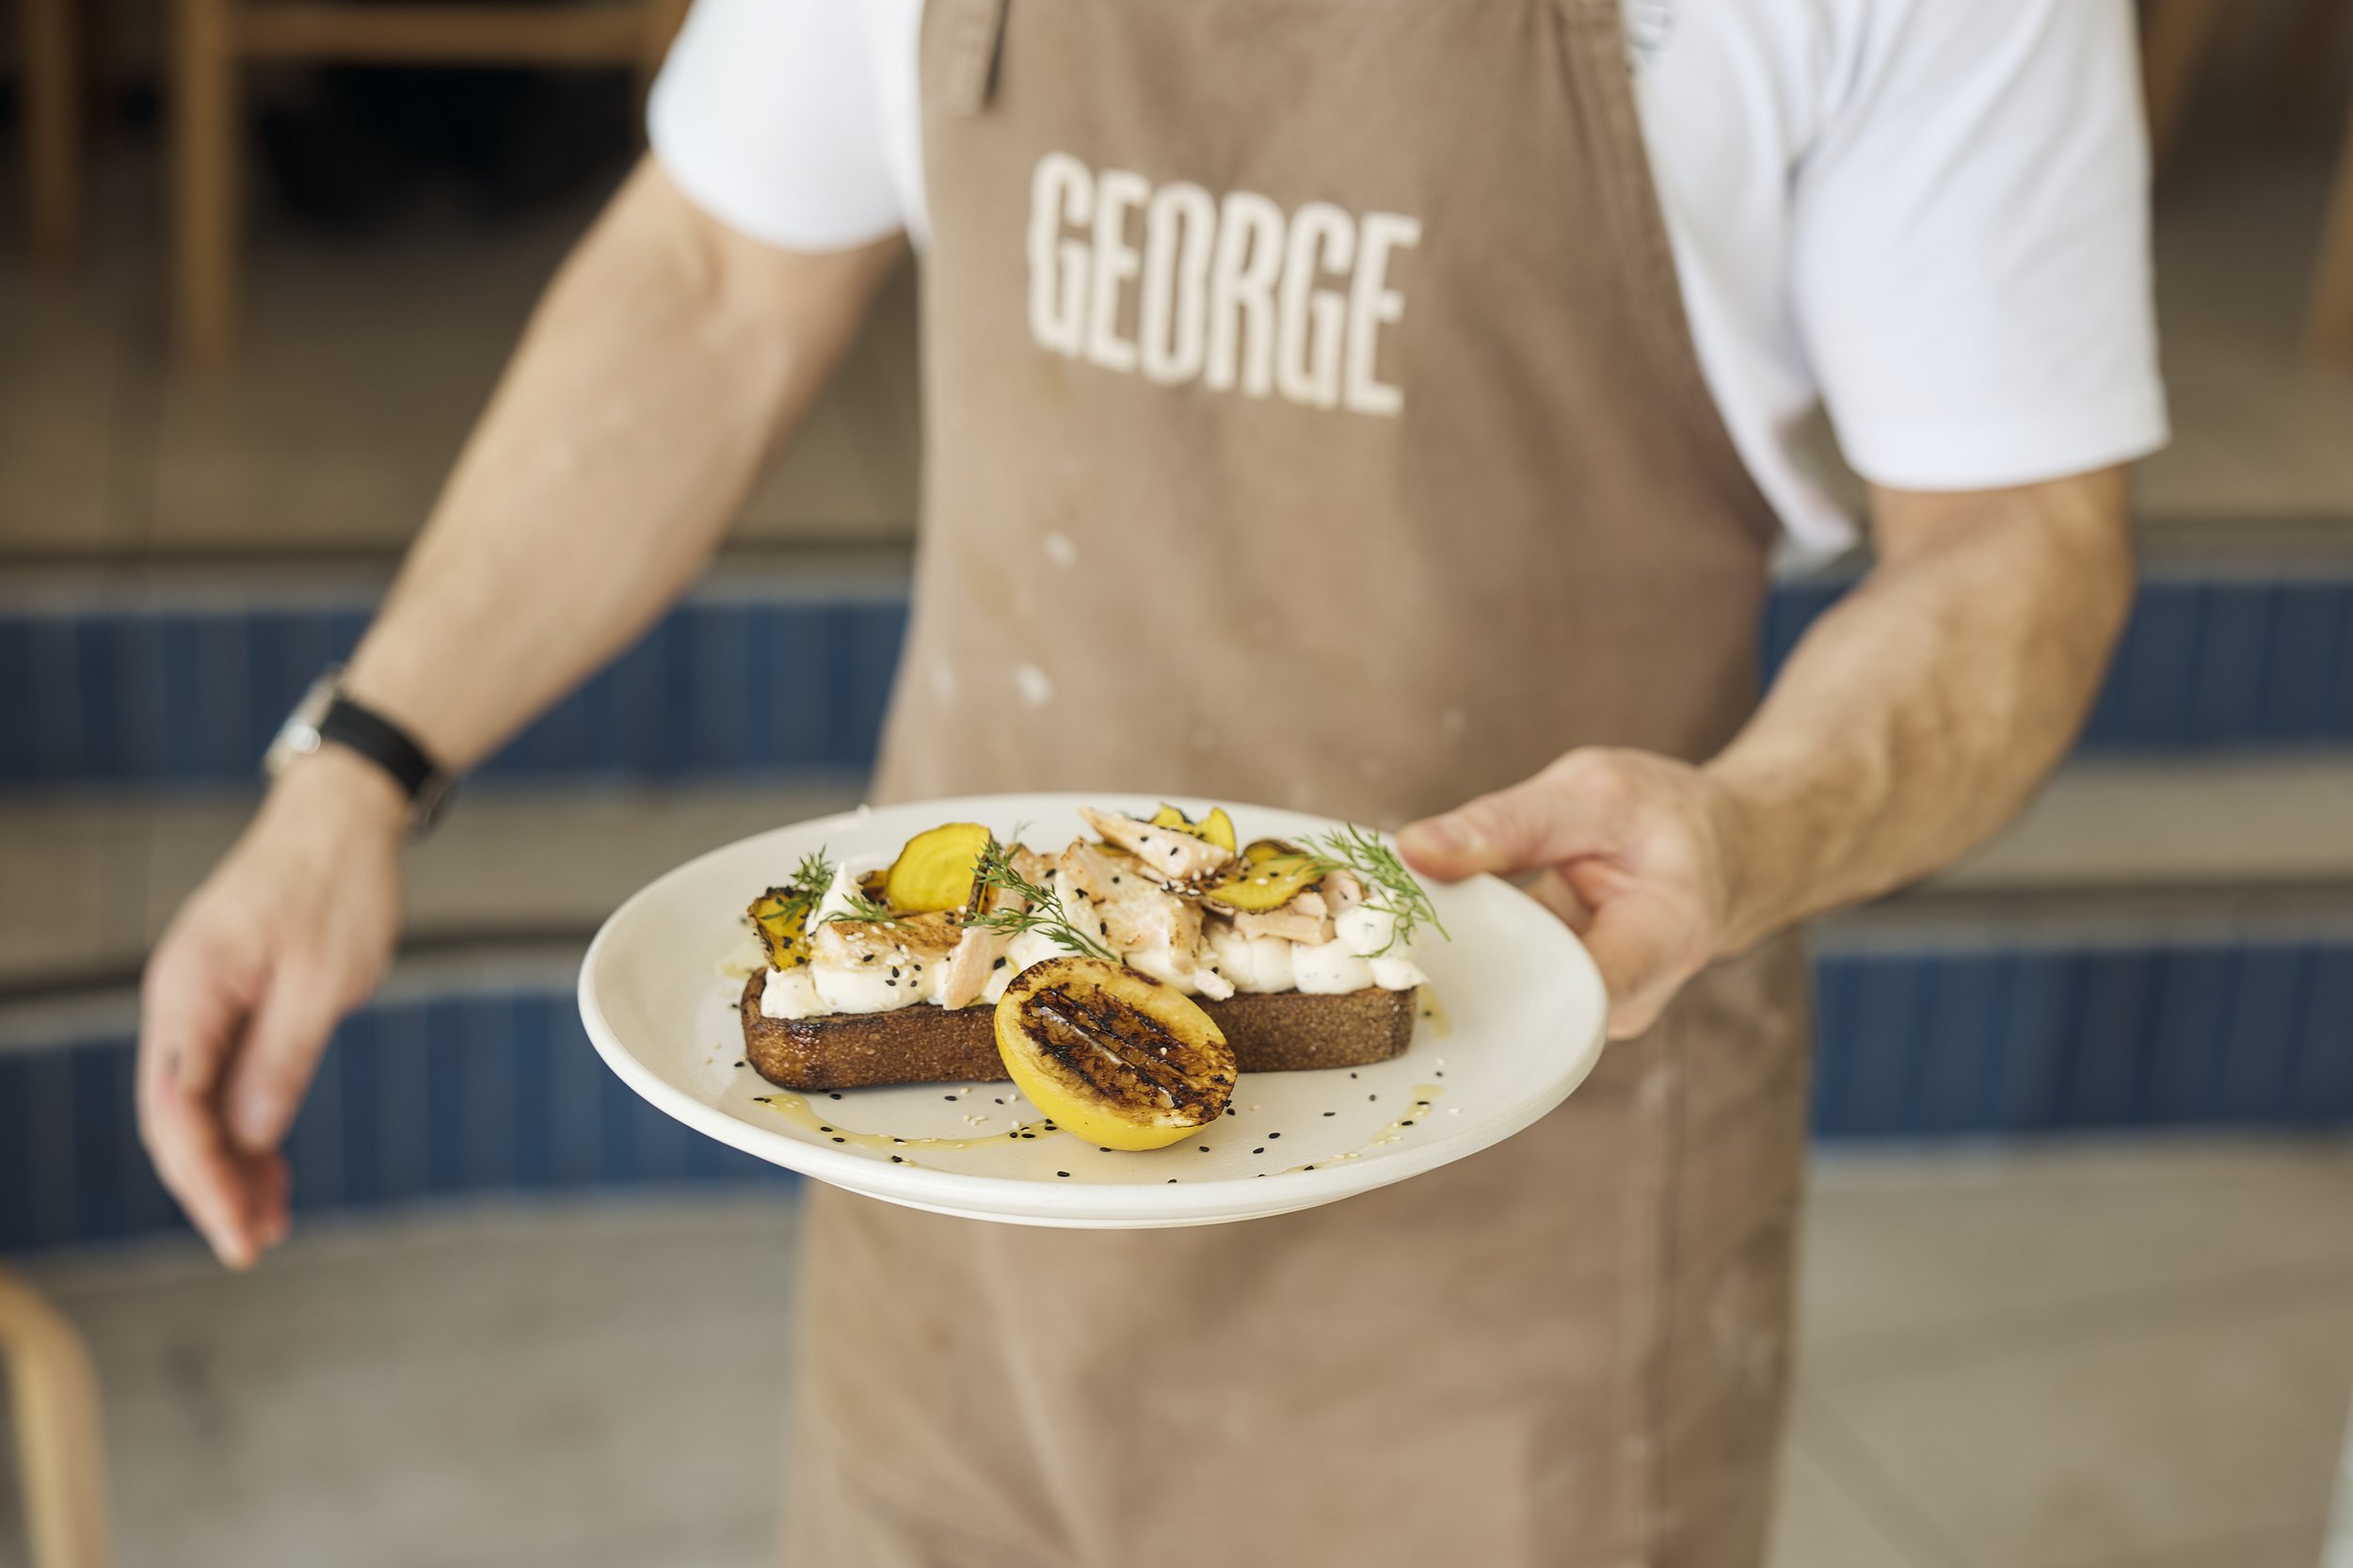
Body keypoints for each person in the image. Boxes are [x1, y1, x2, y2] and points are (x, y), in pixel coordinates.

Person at [135, 0, 2165, 1561]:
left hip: (1505, 1295)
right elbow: (711, 284)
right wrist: (360, 763)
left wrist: (1757, 820)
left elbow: (2013, 546)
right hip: (947, 1254)